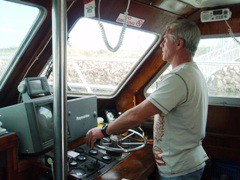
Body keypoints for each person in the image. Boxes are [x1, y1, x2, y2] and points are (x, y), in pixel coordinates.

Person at [86, 19, 209, 180]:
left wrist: (103, 131)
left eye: (165, 40)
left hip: (179, 170)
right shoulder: (193, 72)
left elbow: (136, 115)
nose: (161, 45)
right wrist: (157, 116)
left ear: (179, 44)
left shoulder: (178, 77)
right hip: (185, 164)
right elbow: (182, 113)